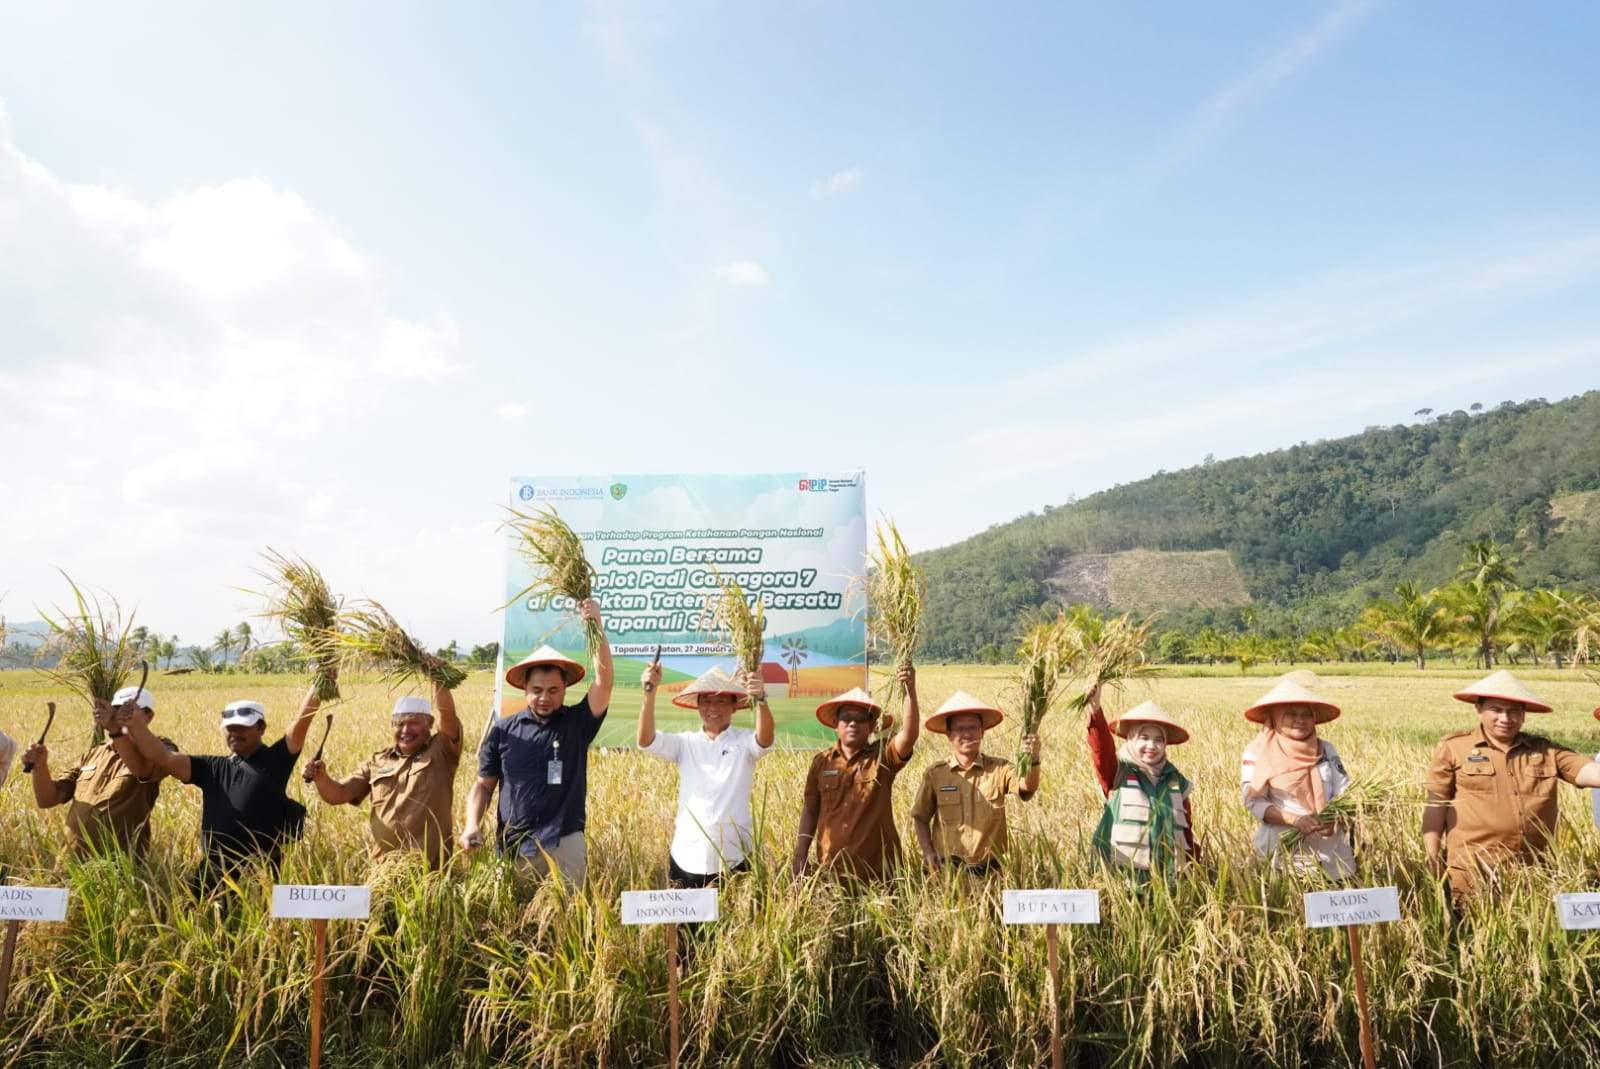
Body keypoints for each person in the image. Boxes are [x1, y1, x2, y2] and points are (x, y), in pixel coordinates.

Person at [461, 599, 614, 885]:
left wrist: (596, 625)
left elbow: (604, 682)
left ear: (565, 689)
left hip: (565, 842)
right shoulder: (504, 731)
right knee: (516, 922)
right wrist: (472, 824)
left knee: (567, 920)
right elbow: (483, 785)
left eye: (554, 690)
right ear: (525, 690)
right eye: (537, 690)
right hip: (515, 843)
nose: (545, 697)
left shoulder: (577, 723)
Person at [125, 684, 322, 894]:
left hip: (260, 871)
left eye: (243, 727)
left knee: (258, 922)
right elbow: (162, 758)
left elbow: (301, 722)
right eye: (230, 728)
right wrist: (135, 726)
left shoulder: (277, 759)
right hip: (213, 872)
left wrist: (321, 679)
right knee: (202, 922)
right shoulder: (211, 768)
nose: (235, 733)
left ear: (262, 728)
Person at [1423, 669, 1600, 902]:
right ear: (1479, 709)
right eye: (1496, 710)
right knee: (1471, 934)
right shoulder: (1454, 749)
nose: (1505, 719)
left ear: (1524, 715)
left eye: (1514, 711)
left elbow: (1589, 772)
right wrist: (1433, 859)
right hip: (1473, 872)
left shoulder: (1546, 751)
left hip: (1535, 872)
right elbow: (1436, 806)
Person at [637, 663, 775, 887]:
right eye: (707, 701)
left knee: (734, 921)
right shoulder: (685, 743)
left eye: (721, 701)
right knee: (685, 922)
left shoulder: (744, 741)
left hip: (735, 855)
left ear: (733, 706)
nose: (714, 707)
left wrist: (760, 699)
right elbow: (646, 740)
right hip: (687, 854)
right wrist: (649, 693)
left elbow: (765, 740)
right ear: (698, 706)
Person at [302, 682, 463, 868]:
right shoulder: (377, 761)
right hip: (384, 867)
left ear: (430, 723)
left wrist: (437, 678)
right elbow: (339, 794)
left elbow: (448, 716)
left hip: (432, 868)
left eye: (413, 723)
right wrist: (321, 778)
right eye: (400, 723)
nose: (405, 730)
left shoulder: (440, 751)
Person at [792, 665, 919, 881]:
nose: (853, 723)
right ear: (836, 725)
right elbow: (810, 810)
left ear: (871, 726)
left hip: (881, 874)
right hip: (832, 871)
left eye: (861, 719)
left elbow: (909, 735)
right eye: (846, 718)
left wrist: (910, 690)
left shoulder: (883, 756)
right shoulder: (821, 763)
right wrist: (800, 853)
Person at [24, 686, 176, 858]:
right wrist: (40, 766)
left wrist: (115, 731)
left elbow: (142, 770)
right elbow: (48, 799)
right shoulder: (94, 753)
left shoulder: (160, 749)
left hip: (119, 867)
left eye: (129, 710)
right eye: (116, 710)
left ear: (148, 717)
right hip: (72, 864)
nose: (120, 716)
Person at [910, 691, 1040, 876]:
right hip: (948, 875)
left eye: (973, 728)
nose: (967, 734)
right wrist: (928, 853)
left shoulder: (999, 769)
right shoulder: (935, 774)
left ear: (982, 732)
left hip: (991, 874)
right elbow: (920, 817)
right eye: (960, 729)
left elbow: (1027, 786)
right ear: (949, 735)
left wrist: (1033, 758)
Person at [1239, 674, 1356, 878]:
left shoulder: (1326, 750)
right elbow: (1253, 801)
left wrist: (1335, 819)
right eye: (1290, 714)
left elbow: (1345, 791)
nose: (1299, 720)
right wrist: (1295, 820)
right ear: (1275, 716)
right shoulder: (1257, 753)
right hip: (1284, 852)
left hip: (1332, 854)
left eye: (1306, 714)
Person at [1085, 690, 1198, 876]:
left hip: (1168, 883)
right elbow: (1101, 751)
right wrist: (1095, 709)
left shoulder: (1176, 781)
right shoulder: (1117, 772)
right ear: (1131, 738)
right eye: (1144, 738)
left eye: (1159, 740)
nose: (1152, 746)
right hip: (1123, 879)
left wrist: (1194, 871)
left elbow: (1186, 829)